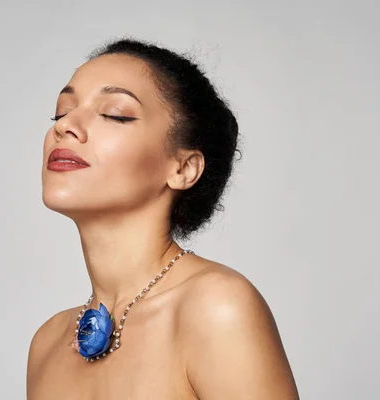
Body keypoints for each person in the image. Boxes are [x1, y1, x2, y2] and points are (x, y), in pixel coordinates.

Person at [26, 38, 299, 399]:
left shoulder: (217, 307)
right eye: (61, 112)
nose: (66, 127)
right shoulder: (48, 343)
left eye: (114, 114)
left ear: (184, 168)